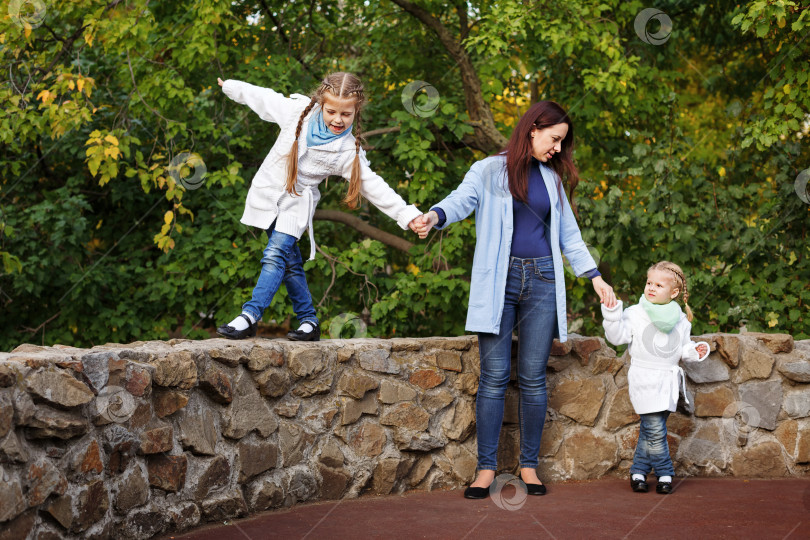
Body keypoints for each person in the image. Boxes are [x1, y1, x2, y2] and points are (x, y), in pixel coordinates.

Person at [413, 101, 617, 498]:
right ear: (533, 129)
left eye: (561, 143)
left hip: (542, 279)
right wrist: (434, 216)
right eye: (554, 139)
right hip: (498, 282)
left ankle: (528, 467)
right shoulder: (489, 170)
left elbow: (569, 236)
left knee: (533, 378)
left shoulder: (551, 179)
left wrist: (593, 276)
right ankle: (486, 470)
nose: (557, 149)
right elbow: (460, 200)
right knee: (492, 378)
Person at [215, 72, 423, 340]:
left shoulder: (348, 151)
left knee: (275, 255)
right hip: (267, 196)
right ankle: (309, 322)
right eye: (331, 111)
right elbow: (265, 98)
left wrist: (408, 215)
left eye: (346, 114)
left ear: (356, 111)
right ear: (321, 104)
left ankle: (250, 315)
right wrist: (232, 86)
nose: (338, 120)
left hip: (296, 205)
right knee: (289, 263)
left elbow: (374, 187)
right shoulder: (298, 113)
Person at [601, 261, 709, 495]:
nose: (651, 287)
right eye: (649, 282)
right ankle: (665, 473)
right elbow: (617, 337)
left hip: (667, 382)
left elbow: (683, 349)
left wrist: (695, 350)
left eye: (658, 285)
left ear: (674, 292)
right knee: (656, 429)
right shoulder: (635, 314)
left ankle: (638, 471)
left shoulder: (680, 319)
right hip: (644, 380)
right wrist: (611, 313)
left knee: (651, 429)